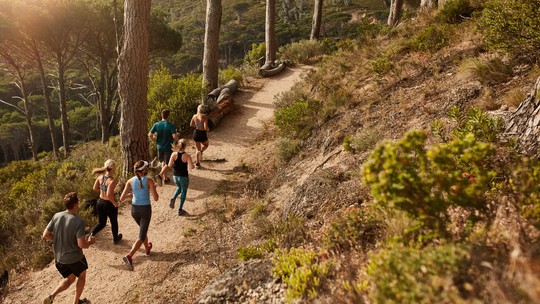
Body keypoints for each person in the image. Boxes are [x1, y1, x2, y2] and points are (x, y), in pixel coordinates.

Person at [42, 192, 96, 304]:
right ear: (76, 204)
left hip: (59, 259)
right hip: (74, 258)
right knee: (81, 277)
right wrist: (90, 242)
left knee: (70, 279)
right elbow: (81, 244)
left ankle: (52, 296)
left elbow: (45, 235)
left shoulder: (56, 216)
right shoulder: (78, 221)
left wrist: (59, 240)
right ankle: (76, 302)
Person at [119, 160, 159, 271]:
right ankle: (129, 256)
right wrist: (154, 188)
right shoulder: (149, 181)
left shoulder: (130, 181)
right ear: (144, 169)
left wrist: (132, 194)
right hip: (145, 210)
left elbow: (121, 198)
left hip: (134, 210)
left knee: (143, 230)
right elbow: (156, 198)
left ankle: (147, 249)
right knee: (141, 236)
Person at [89, 159, 122, 244]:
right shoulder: (112, 181)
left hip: (100, 202)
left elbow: (94, 187)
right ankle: (115, 239)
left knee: (101, 223)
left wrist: (101, 191)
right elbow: (109, 195)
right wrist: (114, 203)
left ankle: (90, 234)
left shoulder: (100, 177)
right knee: (114, 222)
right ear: (113, 168)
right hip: (108, 203)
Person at [164, 137, 195, 216]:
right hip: (183, 176)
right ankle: (180, 209)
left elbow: (169, 166)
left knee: (178, 188)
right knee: (183, 191)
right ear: (185, 146)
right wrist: (192, 163)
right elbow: (191, 167)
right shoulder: (187, 156)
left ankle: (174, 198)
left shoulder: (174, 154)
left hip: (175, 176)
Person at [148, 109, 177, 184]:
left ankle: (165, 178)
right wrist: (179, 141)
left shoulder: (156, 124)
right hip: (168, 147)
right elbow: (174, 136)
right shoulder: (171, 125)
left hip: (159, 147)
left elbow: (150, 134)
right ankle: (160, 175)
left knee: (163, 162)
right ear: (169, 115)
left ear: (162, 115)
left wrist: (154, 139)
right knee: (168, 164)